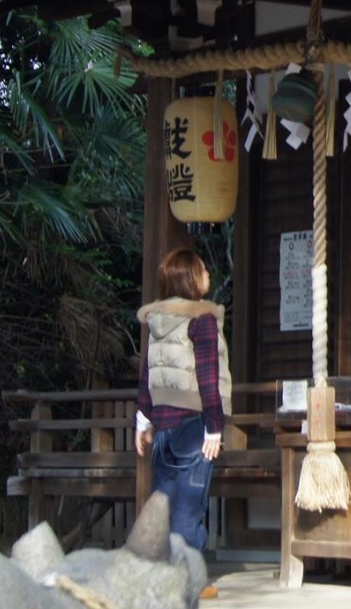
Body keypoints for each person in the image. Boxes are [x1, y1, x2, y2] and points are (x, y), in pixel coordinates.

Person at [135, 247, 230, 599]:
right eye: (203, 268)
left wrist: (143, 419)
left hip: (163, 425)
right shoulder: (201, 318)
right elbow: (208, 375)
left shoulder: (158, 320)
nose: (208, 273)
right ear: (191, 277)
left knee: (166, 503)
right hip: (194, 425)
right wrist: (215, 425)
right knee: (190, 506)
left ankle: (164, 576)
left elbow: (148, 373)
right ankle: (189, 579)